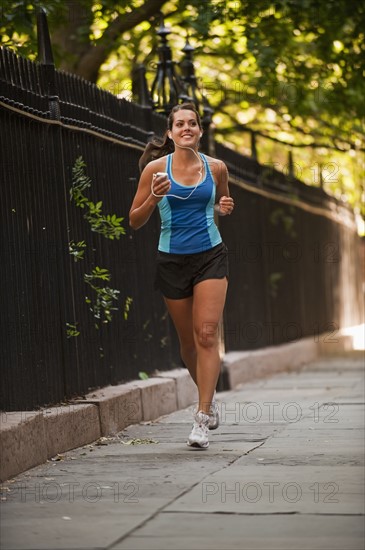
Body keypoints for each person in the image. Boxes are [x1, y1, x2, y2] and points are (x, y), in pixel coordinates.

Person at [129, 102, 234, 449]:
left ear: (200, 131)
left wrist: (223, 206)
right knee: (187, 345)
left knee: (206, 336)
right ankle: (210, 397)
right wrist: (153, 198)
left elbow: (221, 200)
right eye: (179, 124)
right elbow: (135, 219)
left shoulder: (216, 167)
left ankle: (202, 418)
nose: (186, 128)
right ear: (170, 132)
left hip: (210, 256)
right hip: (172, 259)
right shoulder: (155, 171)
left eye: (192, 123)